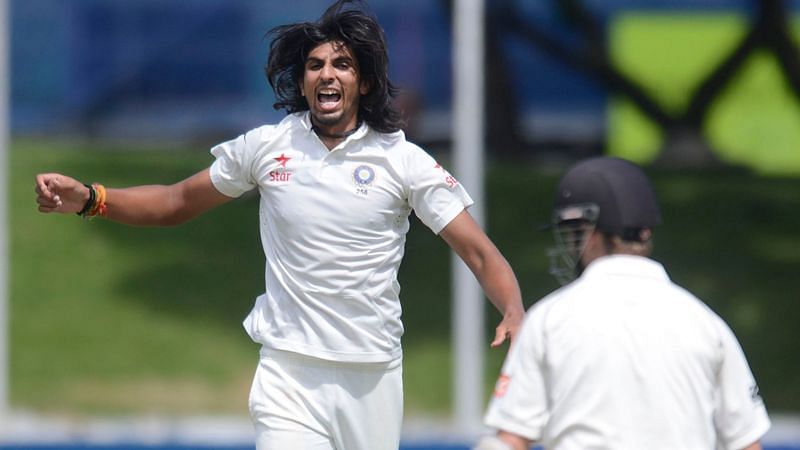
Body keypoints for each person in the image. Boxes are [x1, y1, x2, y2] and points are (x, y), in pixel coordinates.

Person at [34, 1, 524, 449]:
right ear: (303, 79)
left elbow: (478, 250)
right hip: (287, 371)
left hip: (371, 374)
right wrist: (92, 199)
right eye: (315, 65)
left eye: (342, 65)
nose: (326, 75)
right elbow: (176, 200)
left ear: (366, 82)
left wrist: (513, 309)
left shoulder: (403, 161)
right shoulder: (268, 147)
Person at [475, 157, 770, 450]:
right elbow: (746, 443)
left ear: (590, 235)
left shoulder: (549, 319)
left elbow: (511, 440)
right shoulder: (706, 324)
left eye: (571, 234)